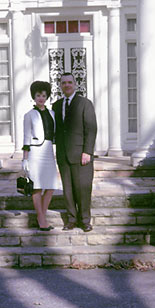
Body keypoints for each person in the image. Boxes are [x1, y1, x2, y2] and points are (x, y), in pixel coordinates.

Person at [52, 72, 97, 232]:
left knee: (83, 188)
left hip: (81, 155)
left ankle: (85, 220)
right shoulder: (56, 106)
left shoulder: (85, 103)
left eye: (69, 82)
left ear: (75, 84)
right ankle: (71, 219)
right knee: (68, 189)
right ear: (60, 85)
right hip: (63, 154)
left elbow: (91, 129)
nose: (67, 85)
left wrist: (87, 151)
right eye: (63, 83)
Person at [22, 81, 60, 231]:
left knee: (50, 186)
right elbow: (26, 137)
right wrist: (25, 158)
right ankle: (42, 219)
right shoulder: (29, 115)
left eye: (44, 95)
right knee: (36, 187)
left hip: (49, 151)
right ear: (34, 96)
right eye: (38, 95)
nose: (41, 98)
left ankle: (41, 215)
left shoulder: (52, 114)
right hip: (35, 153)